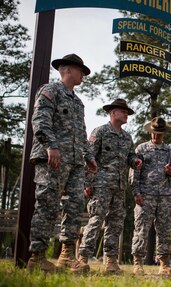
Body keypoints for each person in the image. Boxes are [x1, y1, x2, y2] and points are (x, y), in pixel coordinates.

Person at [27, 54, 98, 273]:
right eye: (80, 71)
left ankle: (67, 256)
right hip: (53, 159)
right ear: (66, 70)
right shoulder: (50, 91)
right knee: (47, 204)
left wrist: (89, 156)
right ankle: (37, 257)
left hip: (75, 163)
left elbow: (82, 132)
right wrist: (51, 146)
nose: (83, 75)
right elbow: (40, 120)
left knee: (74, 206)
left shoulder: (78, 102)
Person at [77, 99, 142, 274]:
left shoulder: (127, 137)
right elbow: (88, 157)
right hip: (101, 185)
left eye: (127, 112)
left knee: (115, 223)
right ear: (112, 113)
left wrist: (135, 161)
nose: (126, 114)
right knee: (96, 220)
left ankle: (111, 262)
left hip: (120, 187)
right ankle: (82, 258)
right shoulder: (100, 132)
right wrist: (87, 183)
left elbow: (130, 156)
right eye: (123, 111)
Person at [130, 117, 171, 276]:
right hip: (145, 195)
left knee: (165, 230)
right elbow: (134, 173)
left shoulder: (170, 152)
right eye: (153, 133)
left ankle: (164, 264)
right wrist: (136, 192)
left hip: (164, 197)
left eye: (158, 133)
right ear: (150, 132)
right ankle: (138, 263)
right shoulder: (141, 149)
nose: (155, 136)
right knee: (141, 229)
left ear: (163, 133)